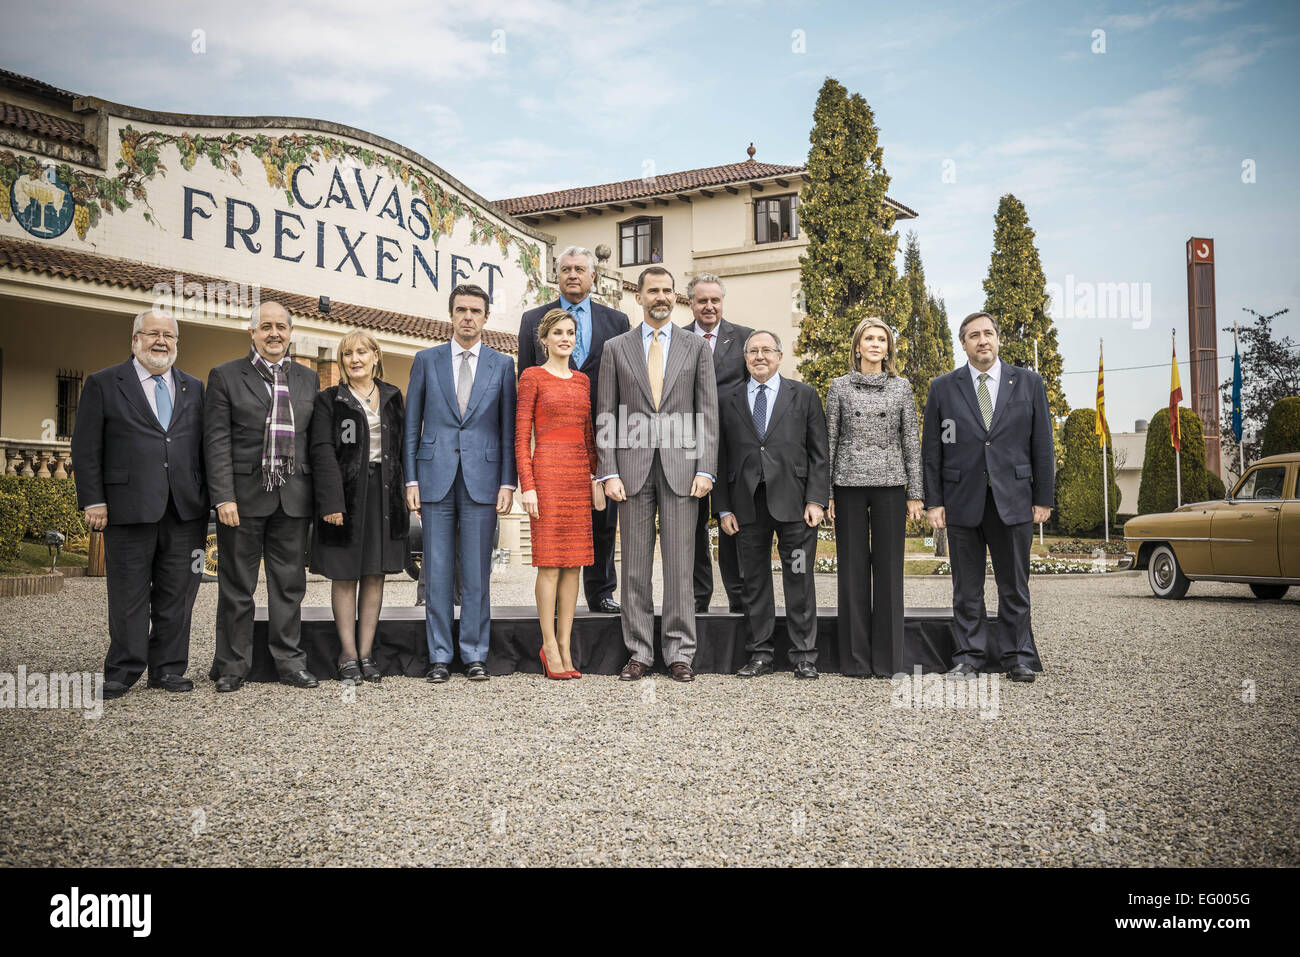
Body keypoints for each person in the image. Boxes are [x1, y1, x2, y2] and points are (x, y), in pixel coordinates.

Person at [70, 309, 207, 700]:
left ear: (177, 343)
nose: (161, 341)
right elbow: (86, 448)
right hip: (127, 507)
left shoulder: (193, 387)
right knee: (128, 592)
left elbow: (204, 447)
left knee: (179, 593)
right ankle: (123, 669)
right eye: (152, 334)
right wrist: (93, 500)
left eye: (169, 335)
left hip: (185, 510)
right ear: (135, 340)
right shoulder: (103, 383)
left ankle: (167, 669)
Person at [597, 266, 718, 683]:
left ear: (675, 297)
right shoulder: (616, 348)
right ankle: (640, 652)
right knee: (633, 567)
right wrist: (607, 471)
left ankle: (680, 652)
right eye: (653, 291)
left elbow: (708, 412)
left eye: (668, 290)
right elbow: (606, 413)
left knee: (681, 566)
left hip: (683, 468)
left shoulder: (696, 347)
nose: (661, 297)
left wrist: (706, 466)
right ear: (640, 296)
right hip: (630, 471)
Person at [922, 311, 1054, 683]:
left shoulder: (1028, 383)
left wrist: (1043, 497)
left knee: (1014, 585)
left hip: (1014, 500)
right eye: (974, 335)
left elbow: (1042, 443)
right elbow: (932, 450)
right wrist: (934, 502)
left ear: (998, 339)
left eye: (988, 333)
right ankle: (969, 656)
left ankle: (1018, 656)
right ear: (963, 343)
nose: (983, 340)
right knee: (966, 588)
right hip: (962, 500)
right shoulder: (943, 388)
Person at [205, 301, 320, 692]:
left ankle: (289, 662)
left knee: (289, 586)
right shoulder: (225, 376)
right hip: (242, 499)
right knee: (237, 586)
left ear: (290, 332)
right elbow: (217, 440)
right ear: (252, 332)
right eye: (266, 327)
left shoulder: (307, 379)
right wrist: (223, 496)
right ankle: (233, 665)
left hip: (293, 498)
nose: (274, 333)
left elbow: (313, 444)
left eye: (281, 327)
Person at [405, 283, 517, 684]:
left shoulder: (503, 366)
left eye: (475, 310)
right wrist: (411, 479)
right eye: (460, 310)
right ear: (450, 315)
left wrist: (508, 481)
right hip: (434, 478)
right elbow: (411, 425)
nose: (467, 316)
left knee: (476, 573)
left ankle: (473, 654)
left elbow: (508, 430)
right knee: (435, 572)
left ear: (486, 317)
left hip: (483, 481)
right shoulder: (426, 360)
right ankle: (438, 655)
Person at [518, 246, 630, 615]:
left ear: (593, 276)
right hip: (554, 441)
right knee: (556, 525)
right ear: (557, 274)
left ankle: (601, 591)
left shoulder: (617, 322)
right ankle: (553, 604)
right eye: (565, 268)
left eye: (580, 269)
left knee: (601, 517)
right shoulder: (532, 320)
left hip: (603, 430)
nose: (572, 274)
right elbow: (524, 385)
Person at [715, 331, 828, 678]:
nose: (759, 356)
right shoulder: (728, 399)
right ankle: (760, 654)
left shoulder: (804, 395)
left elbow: (819, 454)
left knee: (798, 577)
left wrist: (816, 500)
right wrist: (723, 508)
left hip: (795, 506)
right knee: (754, 582)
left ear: (780, 356)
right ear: (745, 358)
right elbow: (720, 457)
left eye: (767, 350)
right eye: (753, 351)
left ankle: (804, 656)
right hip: (746, 506)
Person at [309, 329, 409, 685]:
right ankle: (347, 655)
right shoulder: (330, 400)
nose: (355, 359)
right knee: (345, 574)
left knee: (375, 573)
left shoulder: (394, 397)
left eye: (362, 352)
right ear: (342, 361)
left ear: (375, 356)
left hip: (386, 494)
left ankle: (367, 654)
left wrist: (410, 488)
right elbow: (322, 451)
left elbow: (403, 449)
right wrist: (332, 501)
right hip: (348, 495)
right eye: (348, 354)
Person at [825, 318, 924, 677]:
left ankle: (887, 661)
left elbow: (911, 440)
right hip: (848, 484)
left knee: (889, 572)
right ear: (857, 346)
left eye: (882, 339)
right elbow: (829, 439)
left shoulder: (902, 388)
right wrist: (826, 492)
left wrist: (915, 493)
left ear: (889, 349)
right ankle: (855, 661)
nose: (875, 344)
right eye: (869, 338)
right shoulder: (839, 387)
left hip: (890, 484)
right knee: (851, 572)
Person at [516, 309, 598, 680]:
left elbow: (589, 435)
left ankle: (566, 644)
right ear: (544, 339)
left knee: (574, 564)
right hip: (547, 471)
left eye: (570, 332)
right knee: (549, 563)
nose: (565, 338)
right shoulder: (532, 377)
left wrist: (596, 477)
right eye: (558, 332)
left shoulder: (582, 381)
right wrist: (527, 485)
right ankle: (548, 644)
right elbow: (520, 437)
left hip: (579, 473)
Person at [682, 272, 753, 613]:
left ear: (722, 302)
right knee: (693, 528)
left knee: (732, 523)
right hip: (687, 448)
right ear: (691, 302)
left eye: (715, 300)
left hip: (732, 447)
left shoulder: (744, 338)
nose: (709, 306)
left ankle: (739, 598)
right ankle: (698, 600)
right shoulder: (676, 339)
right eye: (702, 300)